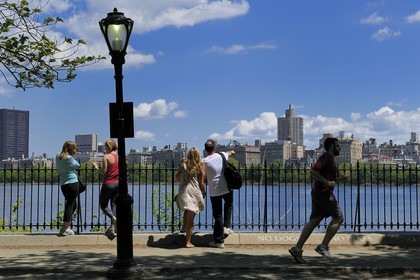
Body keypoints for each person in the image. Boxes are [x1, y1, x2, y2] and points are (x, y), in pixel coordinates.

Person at [289, 137, 348, 263]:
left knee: (314, 221)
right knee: (339, 217)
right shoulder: (326, 157)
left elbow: (331, 179)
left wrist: (340, 179)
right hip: (323, 194)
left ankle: (297, 249)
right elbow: (313, 171)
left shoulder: (331, 160)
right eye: (337, 146)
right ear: (331, 146)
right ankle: (323, 246)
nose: (340, 148)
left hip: (318, 193)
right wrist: (326, 182)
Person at [203, 139, 235, 249]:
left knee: (217, 215)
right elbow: (230, 153)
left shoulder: (205, 161)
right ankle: (226, 226)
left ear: (205, 150)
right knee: (228, 205)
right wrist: (231, 151)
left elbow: (201, 174)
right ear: (215, 148)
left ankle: (219, 241)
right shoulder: (221, 155)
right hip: (226, 187)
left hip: (214, 191)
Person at [175, 147, 206, 248]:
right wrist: (203, 192)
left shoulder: (183, 165)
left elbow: (177, 177)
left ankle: (183, 228)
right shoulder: (199, 166)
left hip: (183, 193)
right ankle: (188, 242)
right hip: (193, 193)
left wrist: (181, 167)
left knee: (187, 211)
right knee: (190, 220)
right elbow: (201, 184)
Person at [92, 139, 119, 241]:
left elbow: (103, 171)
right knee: (114, 205)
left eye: (105, 147)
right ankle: (113, 229)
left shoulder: (106, 157)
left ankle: (114, 219)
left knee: (103, 205)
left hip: (108, 184)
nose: (104, 148)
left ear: (109, 146)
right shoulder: (119, 156)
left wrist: (96, 167)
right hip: (118, 184)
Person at [56, 141, 80, 236]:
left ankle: (66, 225)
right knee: (70, 205)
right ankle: (65, 228)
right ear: (71, 149)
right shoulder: (69, 158)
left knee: (73, 205)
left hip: (64, 184)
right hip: (72, 183)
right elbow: (77, 165)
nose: (75, 150)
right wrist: (73, 156)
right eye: (74, 148)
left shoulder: (57, 156)